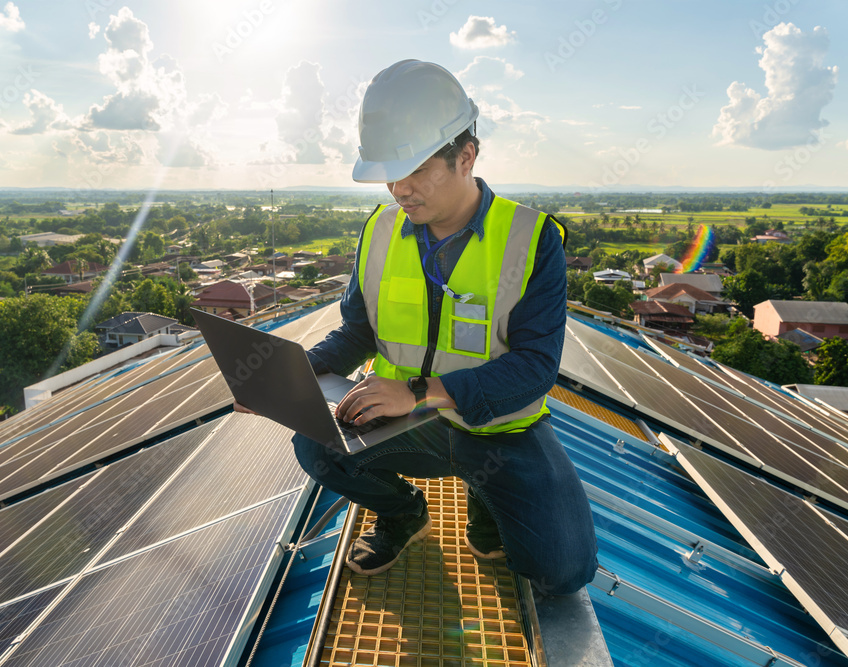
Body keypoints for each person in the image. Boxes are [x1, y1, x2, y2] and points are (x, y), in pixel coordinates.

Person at [242, 59, 598, 596]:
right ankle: (404, 514)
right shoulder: (381, 232)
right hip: (409, 427)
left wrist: (420, 393)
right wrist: (292, 373)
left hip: (500, 429)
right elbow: (358, 333)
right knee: (315, 447)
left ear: (467, 156)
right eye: (390, 174)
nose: (399, 190)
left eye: (415, 172)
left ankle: (487, 497)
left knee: (563, 573)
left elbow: (536, 366)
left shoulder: (532, 238)